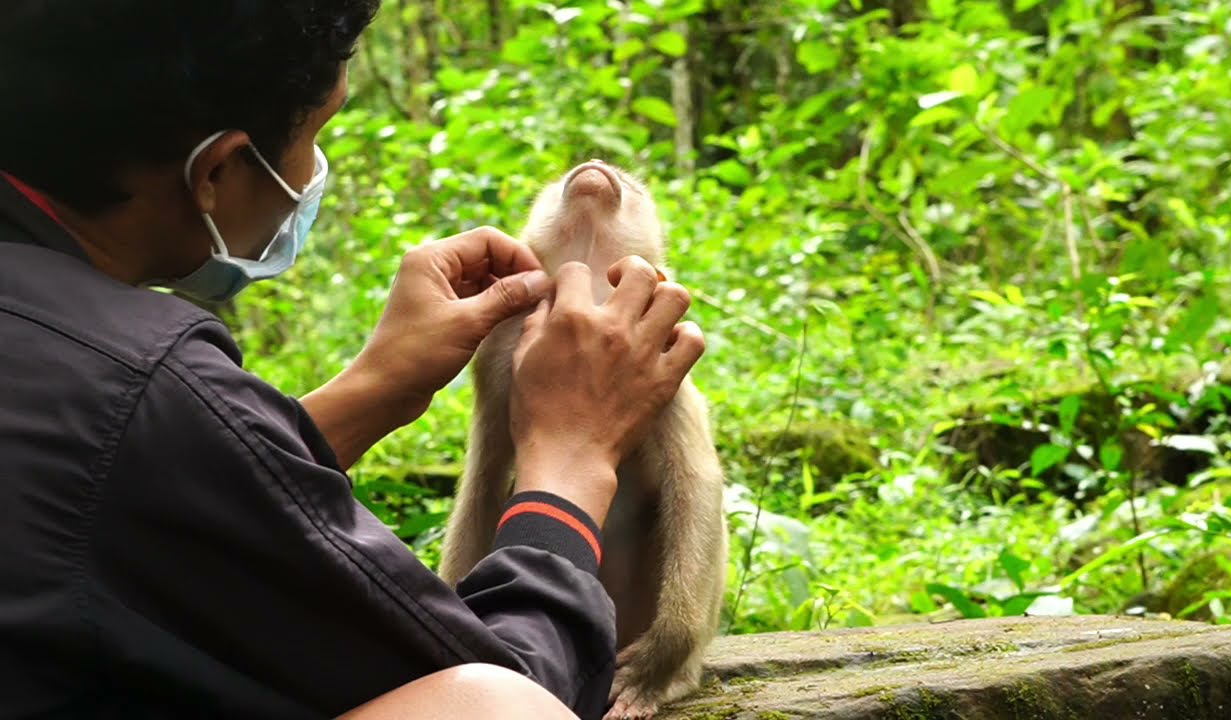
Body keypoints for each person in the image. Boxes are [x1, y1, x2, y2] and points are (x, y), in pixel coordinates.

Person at [0, 3, 705, 720]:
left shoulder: (83, 364)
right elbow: (512, 680)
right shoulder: (147, 382)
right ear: (216, 170)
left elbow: (126, 482)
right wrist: (568, 458)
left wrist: (373, 388)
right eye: (320, 131)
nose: (314, 172)